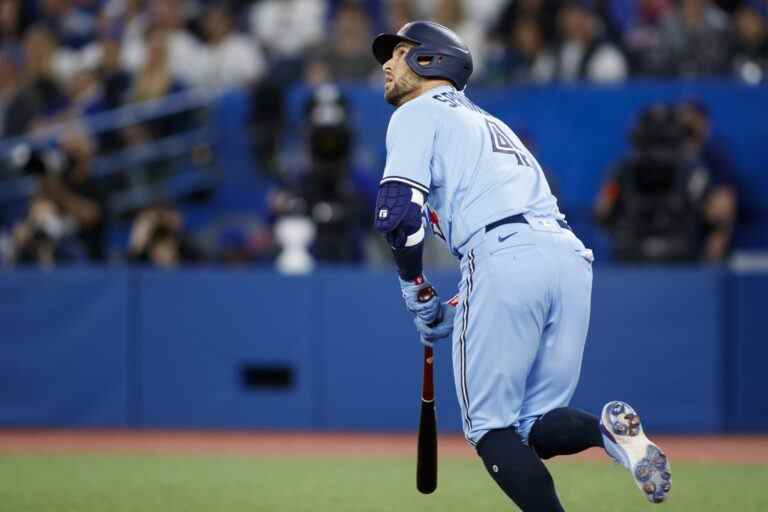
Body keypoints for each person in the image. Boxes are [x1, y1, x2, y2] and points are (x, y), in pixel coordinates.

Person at [370, 21, 671, 510]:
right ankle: (608, 433)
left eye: (400, 53)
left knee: (490, 430)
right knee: (531, 428)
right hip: (567, 258)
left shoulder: (415, 112)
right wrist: (466, 293)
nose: (387, 64)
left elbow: (396, 211)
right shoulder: (487, 121)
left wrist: (415, 288)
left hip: (502, 255)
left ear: (430, 59)